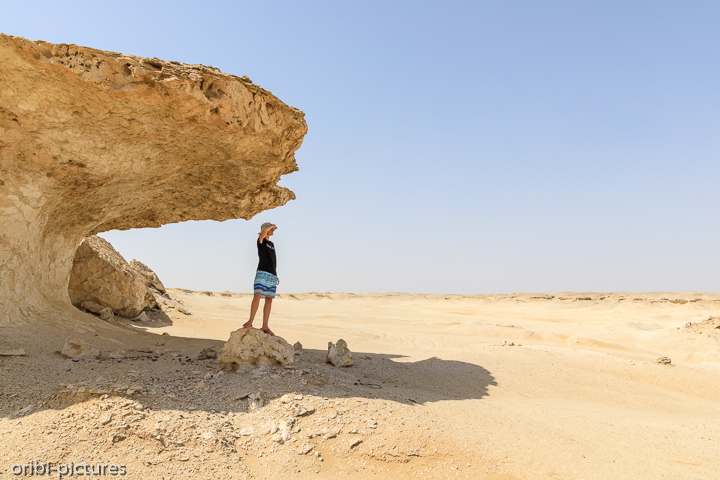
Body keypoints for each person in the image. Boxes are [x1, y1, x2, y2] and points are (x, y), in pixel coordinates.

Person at [243, 222, 279, 335]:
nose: (273, 230)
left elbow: (273, 260)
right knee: (257, 295)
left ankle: (265, 326)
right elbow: (263, 233)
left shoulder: (272, 244)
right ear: (265, 229)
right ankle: (250, 321)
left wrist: (275, 274)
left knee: (269, 299)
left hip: (272, 274)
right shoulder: (261, 240)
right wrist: (270, 225)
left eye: (273, 229)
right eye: (271, 229)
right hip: (262, 272)